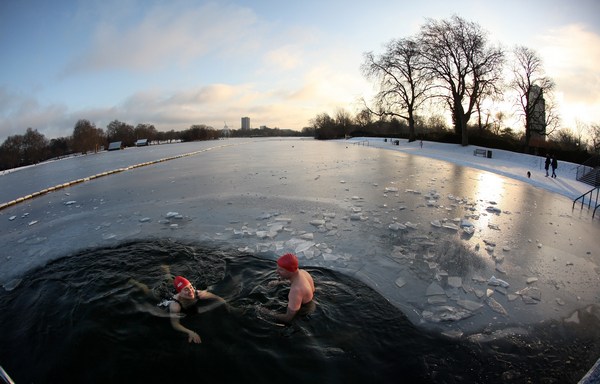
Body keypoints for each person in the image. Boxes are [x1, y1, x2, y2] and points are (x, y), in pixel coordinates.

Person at [169, 275, 226, 343]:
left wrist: (231, 308)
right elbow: (175, 324)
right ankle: (167, 273)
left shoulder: (199, 294)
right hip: (175, 300)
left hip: (192, 308)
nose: (191, 291)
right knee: (168, 279)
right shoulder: (175, 305)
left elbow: (218, 298)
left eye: (191, 287)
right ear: (179, 293)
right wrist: (190, 332)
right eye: (186, 289)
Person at [261, 253, 315, 323]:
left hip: (304, 311)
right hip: (310, 301)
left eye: (281, 270)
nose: (276, 272)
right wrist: (278, 282)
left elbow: (288, 318)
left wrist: (266, 312)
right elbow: (298, 283)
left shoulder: (295, 291)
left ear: (291, 271)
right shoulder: (303, 272)